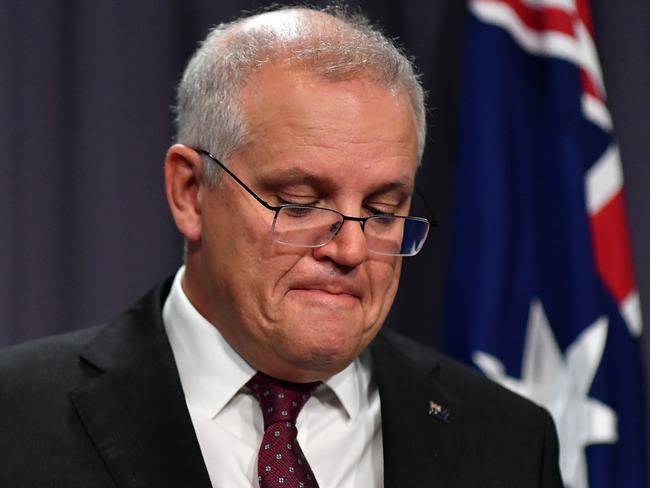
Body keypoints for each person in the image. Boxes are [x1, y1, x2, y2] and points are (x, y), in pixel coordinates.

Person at [0, 6, 562, 488]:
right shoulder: (17, 417)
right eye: (299, 204)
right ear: (191, 193)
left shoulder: (509, 442)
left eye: (383, 212)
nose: (348, 250)